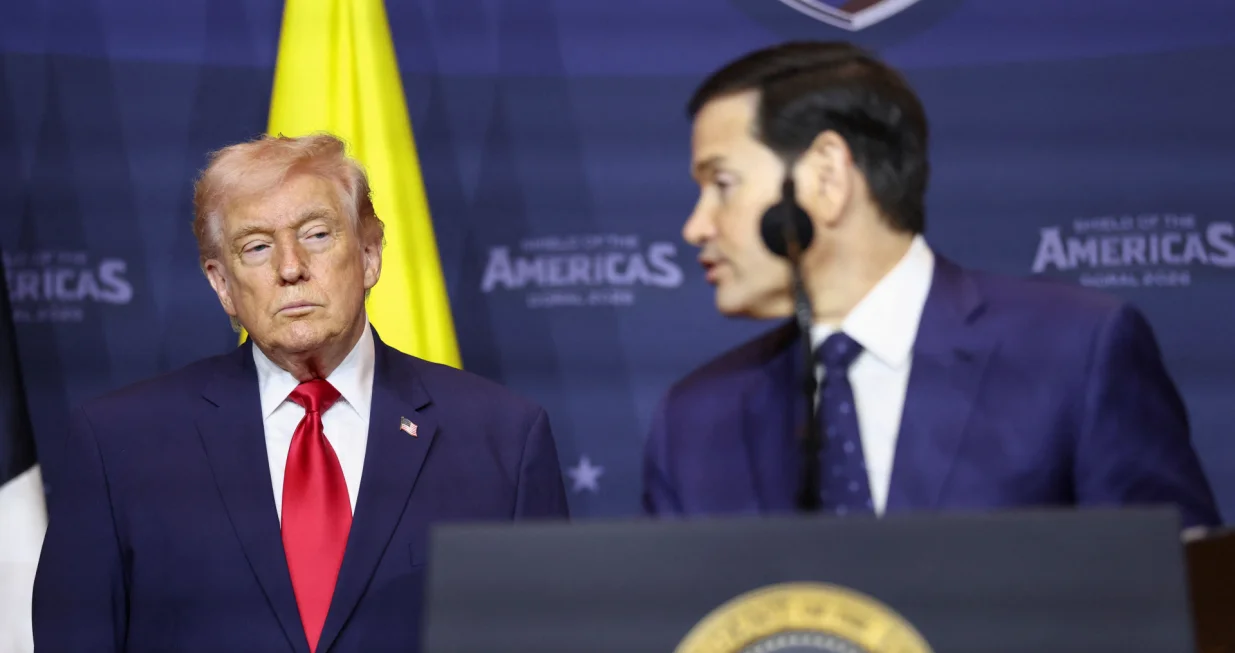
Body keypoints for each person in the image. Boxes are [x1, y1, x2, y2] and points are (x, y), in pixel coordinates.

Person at [641, 41, 1221, 529]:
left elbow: (1176, 595)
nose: (696, 227)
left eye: (722, 184)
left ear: (827, 176)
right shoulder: (696, 420)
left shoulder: (1073, 353)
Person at [32, 133, 570, 653]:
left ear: (369, 254)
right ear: (222, 284)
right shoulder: (121, 446)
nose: (290, 268)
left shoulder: (503, 439)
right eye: (257, 246)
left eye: (316, 234)